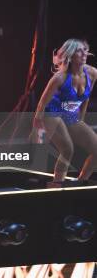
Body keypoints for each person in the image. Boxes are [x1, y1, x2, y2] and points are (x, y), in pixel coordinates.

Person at [34, 39, 97, 186]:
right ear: (70, 55)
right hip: (52, 113)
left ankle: (81, 183)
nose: (84, 53)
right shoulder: (59, 77)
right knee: (67, 149)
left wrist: (80, 121)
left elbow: (85, 99)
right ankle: (56, 185)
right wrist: (37, 127)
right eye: (79, 51)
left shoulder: (92, 73)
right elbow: (42, 104)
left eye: (85, 50)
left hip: (70, 115)